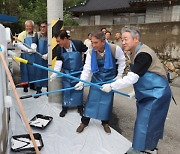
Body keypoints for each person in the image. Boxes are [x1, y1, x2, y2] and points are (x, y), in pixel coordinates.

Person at [101, 26, 171, 154]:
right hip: (147, 92)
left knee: (145, 123)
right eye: (122, 39)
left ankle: (139, 150)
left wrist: (111, 86)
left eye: (126, 39)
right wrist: (135, 91)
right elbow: (142, 75)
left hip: (157, 93)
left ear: (136, 39)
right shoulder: (135, 52)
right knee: (150, 122)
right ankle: (150, 148)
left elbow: (133, 77)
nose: (123, 42)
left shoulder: (144, 54)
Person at [74, 31, 126, 134]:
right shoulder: (90, 52)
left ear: (103, 41)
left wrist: (119, 76)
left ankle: (105, 122)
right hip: (97, 79)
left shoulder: (114, 49)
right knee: (91, 101)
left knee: (107, 103)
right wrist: (82, 81)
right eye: (92, 42)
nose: (93, 45)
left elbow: (122, 61)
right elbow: (87, 68)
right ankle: (84, 122)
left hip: (110, 80)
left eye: (95, 43)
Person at [50, 30, 88, 117]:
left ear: (66, 38)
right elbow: (59, 62)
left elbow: (88, 53)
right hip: (67, 73)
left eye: (59, 41)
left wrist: (86, 64)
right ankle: (65, 107)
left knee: (78, 90)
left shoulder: (78, 44)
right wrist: (55, 73)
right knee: (66, 90)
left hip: (78, 73)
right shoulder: (59, 49)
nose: (58, 43)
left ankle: (80, 107)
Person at [18, 20, 36, 92]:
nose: (29, 27)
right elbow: (19, 44)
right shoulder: (22, 34)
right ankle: (25, 87)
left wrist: (33, 49)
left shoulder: (36, 34)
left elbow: (37, 42)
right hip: (24, 55)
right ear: (25, 27)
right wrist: (27, 50)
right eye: (27, 26)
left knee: (33, 70)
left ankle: (32, 85)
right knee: (24, 71)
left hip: (33, 56)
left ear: (33, 27)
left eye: (30, 26)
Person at [31, 21, 48, 98]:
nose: (42, 28)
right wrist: (33, 47)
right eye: (41, 27)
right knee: (38, 73)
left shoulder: (51, 35)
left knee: (48, 73)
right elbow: (34, 42)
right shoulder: (37, 35)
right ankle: (38, 90)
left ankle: (49, 90)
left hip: (48, 58)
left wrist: (48, 55)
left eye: (44, 27)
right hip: (39, 58)